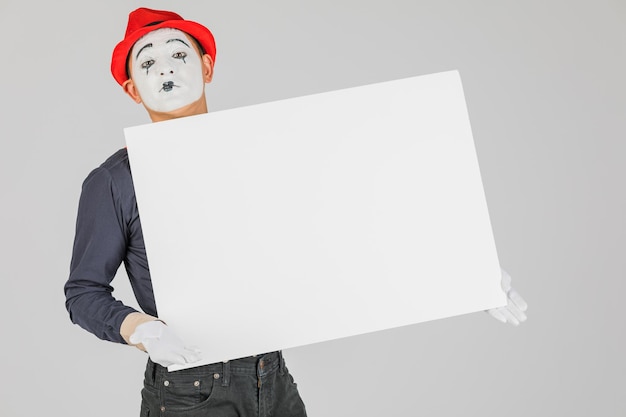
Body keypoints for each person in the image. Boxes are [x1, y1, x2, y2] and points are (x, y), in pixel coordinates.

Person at [64, 6, 527, 417]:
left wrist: (467, 275)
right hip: (190, 392)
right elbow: (83, 292)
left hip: (273, 376)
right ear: (132, 89)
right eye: (147, 62)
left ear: (206, 66)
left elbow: (353, 224)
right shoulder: (113, 182)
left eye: (179, 54)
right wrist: (137, 328)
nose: (165, 68)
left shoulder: (266, 151)